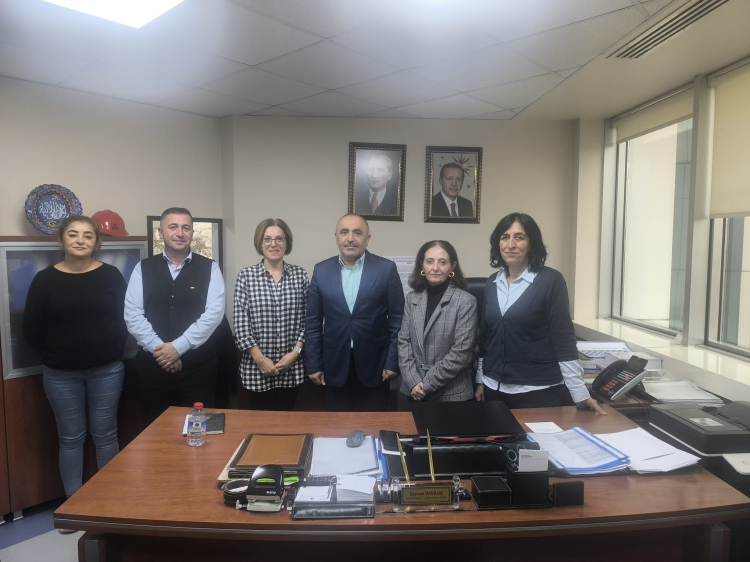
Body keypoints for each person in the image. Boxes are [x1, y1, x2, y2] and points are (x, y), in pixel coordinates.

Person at [23, 215, 127, 501]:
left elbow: (125, 320)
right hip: (60, 375)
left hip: (107, 370)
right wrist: (57, 355)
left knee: (105, 435)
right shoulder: (44, 279)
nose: (80, 240)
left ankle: (109, 504)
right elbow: (31, 328)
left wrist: (109, 348)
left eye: (88, 235)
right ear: (61, 240)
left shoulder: (111, 275)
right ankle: (75, 506)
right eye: (73, 234)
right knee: (70, 439)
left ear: (96, 242)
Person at [475, 213, 605, 413]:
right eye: (504, 237)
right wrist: (481, 379)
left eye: (519, 237)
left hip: (538, 392)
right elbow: (486, 337)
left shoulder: (550, 281)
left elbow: (563, 339)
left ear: (531, 244)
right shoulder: (493, 283)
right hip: (494, 389)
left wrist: (579, 392)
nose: (510, 244)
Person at [125, 207, 225, 427]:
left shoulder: (211, 268)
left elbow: (214, 315)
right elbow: (132, 314)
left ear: (192, 233)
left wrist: (178, 348)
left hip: (199, 371)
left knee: (200, 432)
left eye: (186, 228)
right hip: (153, 369)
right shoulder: (142, 268)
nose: (180, 233)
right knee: (155, 432)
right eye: (173, 227)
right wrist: (163, 352)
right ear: (161, 233)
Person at [305, 214, 405, 412]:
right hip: (334, 365)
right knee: (337, 425)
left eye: (357, 233)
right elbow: (313, 322)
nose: (350, 238)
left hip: (376, 366)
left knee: (373, 425)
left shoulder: (386, 269)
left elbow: (398, 320)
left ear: (368, 239)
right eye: (344, 232)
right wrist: (314, 364)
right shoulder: (321, 270)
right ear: (336, 237)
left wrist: (393, 362)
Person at [234, 219, 308, 411]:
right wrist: (261, 360)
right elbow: (241, 325)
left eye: (279, 239)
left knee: (287, 420)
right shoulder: (246, 277)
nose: (273, 244)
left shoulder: (300, 276)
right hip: (256, 369)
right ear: (260, 243)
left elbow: (308, 320)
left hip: (291, 367)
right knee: (261, 423)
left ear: (287, 243)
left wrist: (295, 353)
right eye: (267, 239)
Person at [398, 241, 476, 402]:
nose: (435, 268)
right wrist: (413, 381)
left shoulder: (465, 301)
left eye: (442, 262)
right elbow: (404, 342)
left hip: (452, 393)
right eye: (429, 261)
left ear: (452, 267)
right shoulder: (412, 298)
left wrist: (426, 385)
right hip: (413, 390)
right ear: (422, 265)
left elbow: (461, 352)